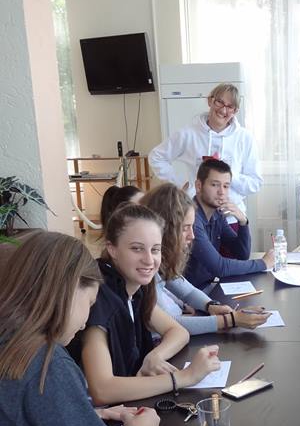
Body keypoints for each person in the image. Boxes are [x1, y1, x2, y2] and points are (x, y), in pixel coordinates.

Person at [0, 231, 159, 426]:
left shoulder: (12, 346)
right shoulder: (45, 365)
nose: (86, 321)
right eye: (89, 303)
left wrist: (85, 415)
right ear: (69, 290)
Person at [78, 202, 220, 405]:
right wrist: (185, 377)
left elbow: (178, 331)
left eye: (155, 250)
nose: (149, 260)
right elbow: (102, 389)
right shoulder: (97, 297)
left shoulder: (136, 287)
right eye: (137, 249)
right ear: (112, 249)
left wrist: (154, 357)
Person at [141, 183, 271, 334]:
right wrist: (231, 320)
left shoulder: (162, 261)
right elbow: (169, 325)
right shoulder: (146, 267)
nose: (192, 236)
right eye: (185, 228)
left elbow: (187, 291)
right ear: (164, 228)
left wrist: (210, 305)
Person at [148, 82, 262, 218]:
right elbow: (156, 156)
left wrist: (228, 174)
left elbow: (255, 183)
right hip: (196, 216)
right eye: (219, 102)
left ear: (235, 111)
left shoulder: (245, 138)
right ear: (210, 101)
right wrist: (180, 185)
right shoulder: (188, 134)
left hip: (231, 217)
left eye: (230, 106)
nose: (223, 110)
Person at [184, 159, 274, 291]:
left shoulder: (217, 214)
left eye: (226, 186)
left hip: (207, 288)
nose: (221, 192)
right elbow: (219, 267)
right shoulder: (191, 219)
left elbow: (241, 254)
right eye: (215, 185)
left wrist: (243, 221)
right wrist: (263, 263)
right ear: (198, 186)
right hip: (187, 295)